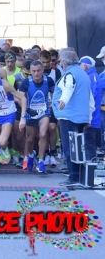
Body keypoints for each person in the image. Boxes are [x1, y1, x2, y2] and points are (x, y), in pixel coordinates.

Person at [53, 50, 94, 187]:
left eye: (60, 60)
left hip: (69, 116)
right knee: (78, 147)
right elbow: (90, 98)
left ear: (64, 62)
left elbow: (68, 89)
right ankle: (79, 176)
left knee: (70, 148)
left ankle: (73, 177)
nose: (59, 62)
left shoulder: (70, 74)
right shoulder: (84, 74)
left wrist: (63, 101)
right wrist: (89, 117)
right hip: (81, 117)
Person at [18, 61, 54, 173]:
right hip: (30, 112)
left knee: (43, 135)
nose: (36, 73)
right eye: (33, 71)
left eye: (38, 70)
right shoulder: (26, 82)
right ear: (30, 71)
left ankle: (41, 161)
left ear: (43, 70)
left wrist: (52, 103)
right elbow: (19, 98)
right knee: (30, 138)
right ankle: (30, 155)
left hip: (44, 112)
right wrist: (28, 110)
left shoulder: (48, 80)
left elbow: (55, 93)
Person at [79, 57, 102, 165]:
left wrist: (87, 117)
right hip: (91, 118)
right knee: (89, 144)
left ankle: (90, 170)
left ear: (84, 66)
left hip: (90, 119)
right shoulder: (92, 76)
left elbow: (91, 96)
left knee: (89, 145)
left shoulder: (91, 77)